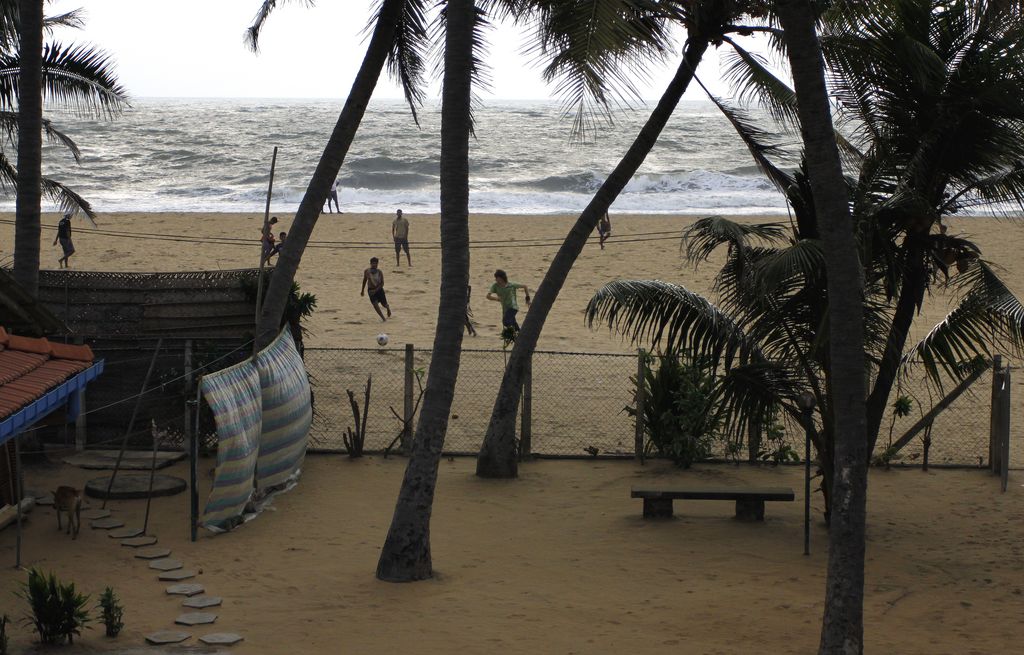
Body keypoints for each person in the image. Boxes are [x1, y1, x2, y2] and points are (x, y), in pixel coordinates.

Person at [361, 256, 391, 321]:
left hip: (379, 290)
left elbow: (382, 283)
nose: (374, 265)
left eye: (376, 264)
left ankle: (388, 308)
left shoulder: (379, 272)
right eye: (373, 263)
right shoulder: (367, 271)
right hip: (371, 290)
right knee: (375, 305)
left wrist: (376, 290)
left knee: (384, 304)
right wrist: (362, 290)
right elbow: (364, 280)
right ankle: (383, 318)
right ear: (370, 264)